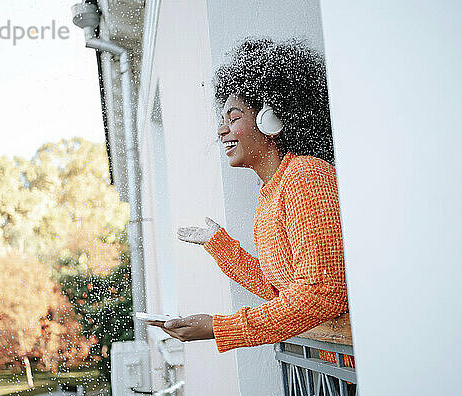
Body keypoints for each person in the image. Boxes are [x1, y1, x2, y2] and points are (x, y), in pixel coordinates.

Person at [148, 37, 354, 370]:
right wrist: (220, 247)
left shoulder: (306, 176)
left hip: (357, 369)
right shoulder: (272, 190)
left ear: (270, 118)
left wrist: (218, 328)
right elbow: (279, 290)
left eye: (233, 116)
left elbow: (323, 292)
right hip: (335, 372)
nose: (221, 129)